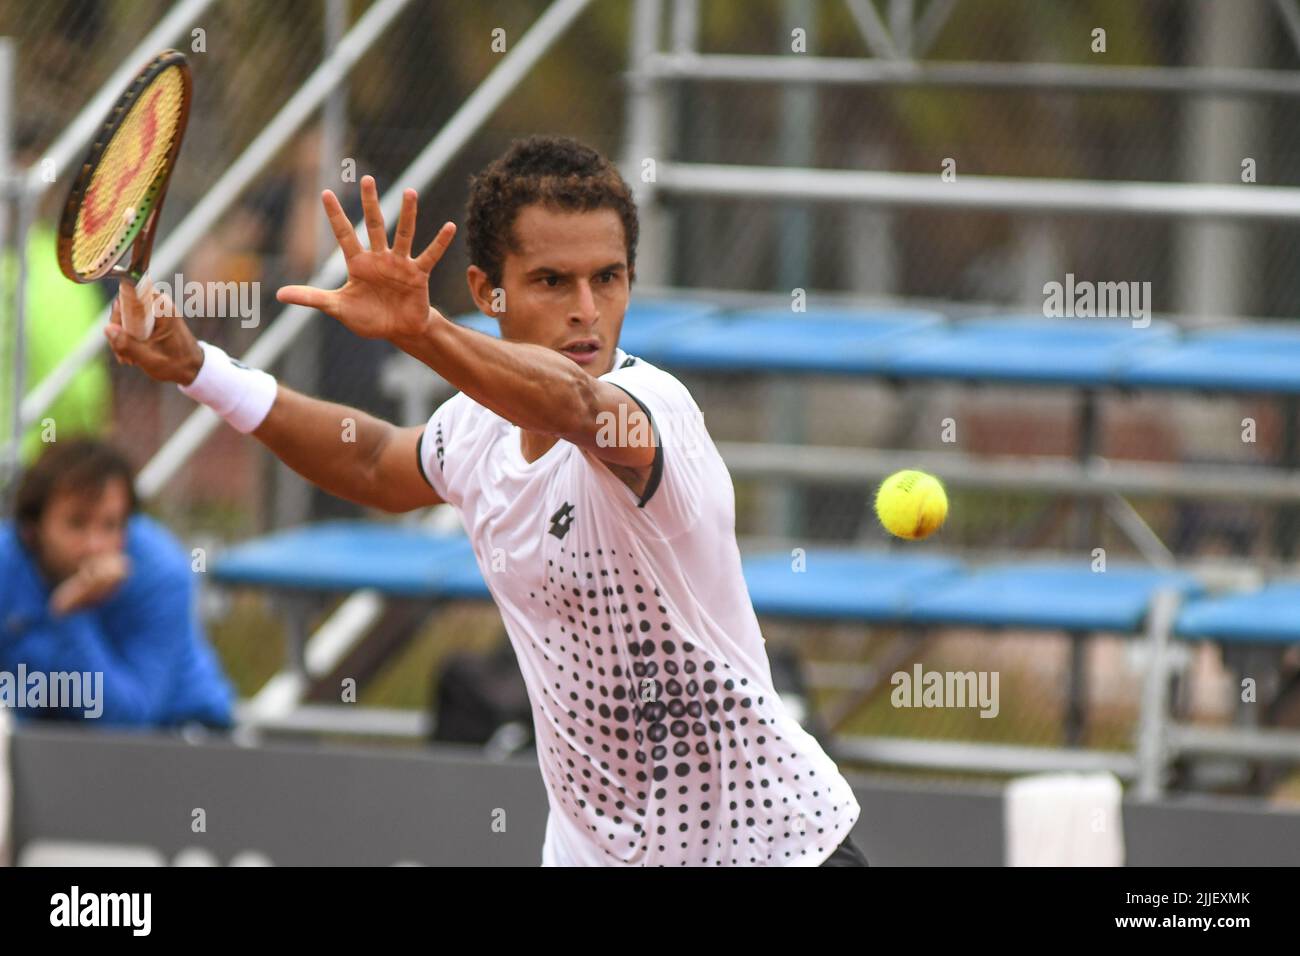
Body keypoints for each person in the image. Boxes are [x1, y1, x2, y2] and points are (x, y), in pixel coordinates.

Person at [103, 135, 867, 866]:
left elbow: (573, 405)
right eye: (551, 281)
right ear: (486, 291)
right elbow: (371, 459)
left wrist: (421, 329)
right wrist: (199, 368)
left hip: (772, 849)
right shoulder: (475, 430)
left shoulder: (651, 408)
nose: (587, 310)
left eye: (609, 277)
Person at [0, 438, 235, 729]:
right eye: (77, 523)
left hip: (180, 738)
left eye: (110, 525)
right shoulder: (6, 563)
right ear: (31, 530)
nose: (95, 545)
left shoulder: (163, 575)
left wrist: (72, 615)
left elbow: (126, 723)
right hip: (50, 740)